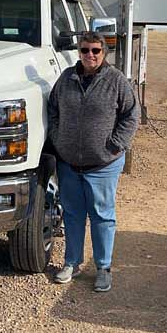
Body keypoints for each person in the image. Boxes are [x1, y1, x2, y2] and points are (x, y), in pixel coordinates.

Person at [47, 31, 140, 292]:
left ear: (104, 53)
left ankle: (103, 268)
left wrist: (114, 145)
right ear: (79, 51)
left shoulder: (116, 81)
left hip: (103, 164)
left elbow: (132, 116)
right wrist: (58, 138)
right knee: (73, 215)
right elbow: (52, 109)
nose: (90, 55)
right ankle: (71, 263)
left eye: (96, 51)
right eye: (85, 50)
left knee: (102, 216)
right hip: (69, 163)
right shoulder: (66, 78)